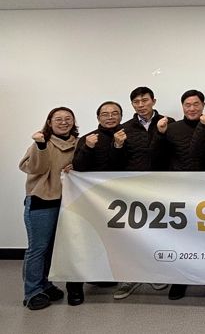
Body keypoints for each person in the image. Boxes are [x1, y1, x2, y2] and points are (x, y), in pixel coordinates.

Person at [153, 89, 205, 302]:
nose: (192, 108)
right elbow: (157, 159)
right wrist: (160, 134)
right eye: (187, 105)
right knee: (181, 238)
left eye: (196, 104)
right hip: (180, 192)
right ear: (182, 107)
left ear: (203, 105)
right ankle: (180, 279)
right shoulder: (171, 128)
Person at [112, 87, 173, 300]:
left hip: (162, 188)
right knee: (132, 234)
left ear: (153, 101)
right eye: (136, 102)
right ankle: (129, 278)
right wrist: (117, 145)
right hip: (134, 189)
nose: (141, 105)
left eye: (144, 100)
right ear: (132, 105)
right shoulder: (124, 128)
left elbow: (175, 154)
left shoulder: (169, 123)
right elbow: (117, 163)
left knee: (159, 233)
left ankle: (155, 272)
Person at [19, 107, 79, 310]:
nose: (64, 122)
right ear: (50, 122)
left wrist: (77, 165)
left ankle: (45, 284)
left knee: (53, 248)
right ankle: (32, 292)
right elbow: (35, 168)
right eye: (58, 119)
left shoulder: (77, 143)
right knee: (38, 248)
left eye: (68, 118)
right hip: (41, 201)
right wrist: (41, 145)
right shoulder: (42, 142)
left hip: (66, 203)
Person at [70, 101, 127, 304]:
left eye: (114, 113)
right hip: (90, 200)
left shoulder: (127, 136)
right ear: (98, 117)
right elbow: (78, 168)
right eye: (105, 114)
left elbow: (121, 169)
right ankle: (74, 287)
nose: (110, 117)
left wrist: (119, 146)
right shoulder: (88, 138)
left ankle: (100, 276)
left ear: (121, 116)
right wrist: (88, 147)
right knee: (83, 241)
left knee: (109, 241)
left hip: (117, 200)